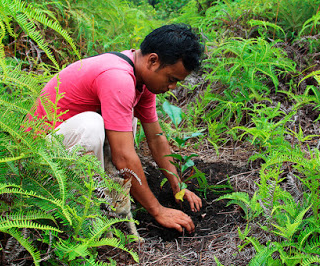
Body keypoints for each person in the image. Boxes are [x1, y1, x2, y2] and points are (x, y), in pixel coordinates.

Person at [29, 24, 204, 234]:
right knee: (92, 125)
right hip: (37, 162)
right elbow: (123, 156)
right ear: (153, 60)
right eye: (171, 79)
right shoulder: (118, 77)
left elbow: (156, 137)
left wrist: (177, 184)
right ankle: (85, 213)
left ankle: (108, 199)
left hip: (64, 150)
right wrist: (157, 210)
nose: (173, 87)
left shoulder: (141, 77)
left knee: (124, 121)